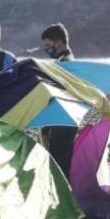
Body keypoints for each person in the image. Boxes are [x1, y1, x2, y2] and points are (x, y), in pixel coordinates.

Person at [41, 23, 76, 179]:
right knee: (61, 164)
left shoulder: (66, 64)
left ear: (59, 42)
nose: (47, 50)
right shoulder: (64, 62)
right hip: (62, 120)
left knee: (58, 166)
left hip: (61, 121)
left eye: (48, 45)